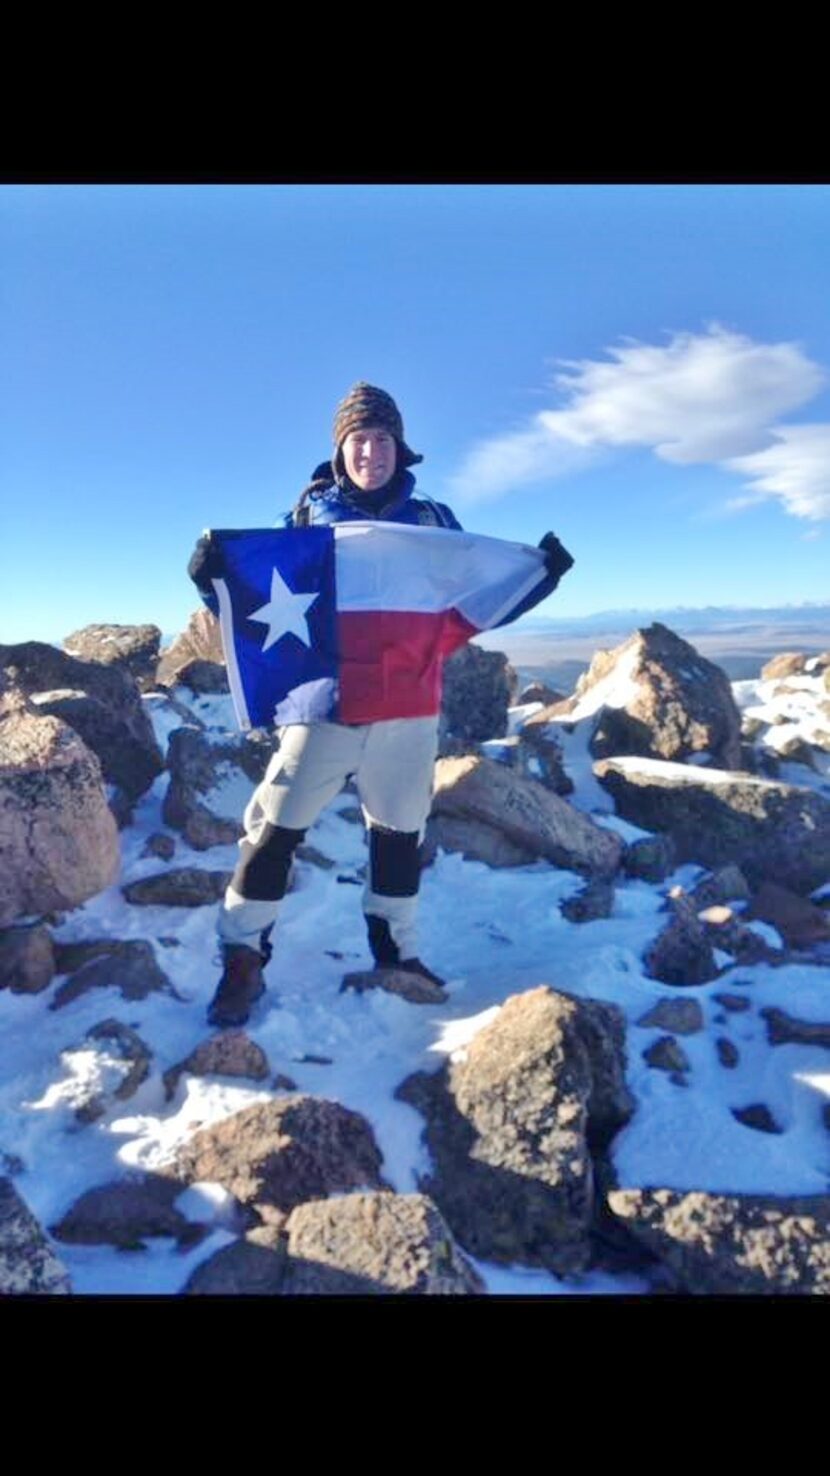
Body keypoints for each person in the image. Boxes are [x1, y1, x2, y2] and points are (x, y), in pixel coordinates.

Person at [189, 382, 574, 1027]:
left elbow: (475, 597)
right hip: (327, 705)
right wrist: (211, 580)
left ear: (401, 449)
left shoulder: (432, 525)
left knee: (399, 834)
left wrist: (539, 575)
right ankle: (242, 958)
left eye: (382, 439)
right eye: (358, 440)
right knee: (274, 828)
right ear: (341, 452)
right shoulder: (309, 523)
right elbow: (260, 602)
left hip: (407, 706)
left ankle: (396, 954)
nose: (371, 451)